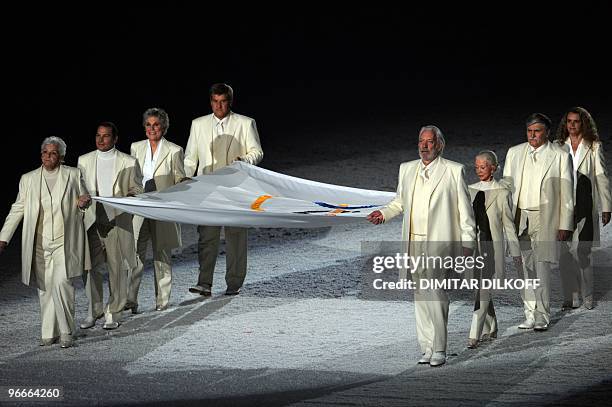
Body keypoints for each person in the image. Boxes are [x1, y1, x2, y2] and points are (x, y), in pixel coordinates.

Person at [367, 125, 476, 367]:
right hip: (414, 241)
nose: (424, 146)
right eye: (421, 141)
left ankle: (440, 348)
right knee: (420, 295)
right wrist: (383, 214)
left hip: (440, 242)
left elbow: (465, 212)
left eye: (429, 142)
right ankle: (426, 347)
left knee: (435, 293)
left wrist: (468, 243)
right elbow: (399, 202)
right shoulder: (407, 169)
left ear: (439, 144)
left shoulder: (453, 171)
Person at [0, 137, 90, 348]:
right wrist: (3, 237)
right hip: (39, 242)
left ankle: (67, 331)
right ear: (41, 155)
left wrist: (83, 202)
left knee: (62, 283)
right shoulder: (28, 179)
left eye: (53, 153)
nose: (48, 157)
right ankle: (49, 332)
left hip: (64, 240)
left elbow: (84, 199)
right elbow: (18, 208)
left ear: (61, 157)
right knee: (45, 287)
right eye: (45, 153)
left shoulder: (73, 175)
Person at [184, 83, 263, 296]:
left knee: (236, 237)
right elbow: (191, 156)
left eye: (223, 101)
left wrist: (244, 159)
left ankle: (234, 283)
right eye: (215, 101)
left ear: (230, 101)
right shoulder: (198, 124)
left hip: (235, 189)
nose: (219, 106)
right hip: (207, 189)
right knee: (206, 237)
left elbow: (257, 151)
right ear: (210, 102)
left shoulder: (245, 123)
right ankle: (204, 283)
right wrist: (187, 175)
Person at [503, 113, 574, 331]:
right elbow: (506, 188)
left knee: (542, 267)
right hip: (519, 216)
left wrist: (565, 224)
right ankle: (529, 314)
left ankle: (542, 315)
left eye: (537, 131)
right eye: (529, 131)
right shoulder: (514, 152)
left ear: (547, 132)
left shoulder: (560, 155)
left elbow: (567, 192)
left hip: (545, 217)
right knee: (524, 268)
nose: (532, 135)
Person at [78, 122, 143, 330]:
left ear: (115, 139)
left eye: (106, 136)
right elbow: (79, 189)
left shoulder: (128, 161)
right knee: (89, 268)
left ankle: (113, 311)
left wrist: (131, 196)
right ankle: (94, 309)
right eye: (98, 135)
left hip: (117, 220)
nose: (100, 139)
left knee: (117, 268)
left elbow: (137, 189)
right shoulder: (84, 160)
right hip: (92, 221)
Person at [126, 108, 185, 313]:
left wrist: (184, 184)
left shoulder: (174, 150)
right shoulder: (136, 147)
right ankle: (130, 300)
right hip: (141, 207)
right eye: (148, 124)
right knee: (134, 254)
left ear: (164, 127)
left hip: (162, 208)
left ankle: (162, 301)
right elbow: (132, 177)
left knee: (162, 255)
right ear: (144, 127)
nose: (152, 128)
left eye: (156, 124)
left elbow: (179, 179)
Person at [555, 107, 611, 310]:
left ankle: (587, 295)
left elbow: (601, 177)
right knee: (564, 254)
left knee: (583, 251)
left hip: (585, 205)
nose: (571, 125)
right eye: (569, 121)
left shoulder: (594, 147)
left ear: (583, 123)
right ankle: (570, 296)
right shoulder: (557, 146)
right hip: (563, 208)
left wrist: (606, 206)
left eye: (576, 121)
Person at [466, 151, 521, 349]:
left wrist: (515, 253)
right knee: (479, 288)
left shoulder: (501, 193)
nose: (479, 170)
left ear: (493, 168)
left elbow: (508, 226)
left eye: (484, 166)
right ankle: (493, 325)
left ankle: (474, 333)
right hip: (474, 248)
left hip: (492, 247)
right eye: (477, 167)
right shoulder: (469, 190)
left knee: (483, 288)